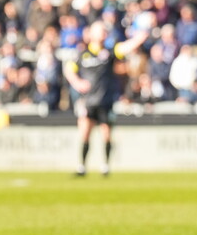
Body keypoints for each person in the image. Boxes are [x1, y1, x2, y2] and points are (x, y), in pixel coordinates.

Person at [63, 18, 150, 176]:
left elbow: (125, 48)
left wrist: (140, 37)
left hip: (105, 100)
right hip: (88, 100)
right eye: (100, 30)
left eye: (104, 30)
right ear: (92, 34)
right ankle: (81, 166)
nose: (104, 33)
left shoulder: (109, 52)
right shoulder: (83, 54)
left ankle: (105, 166)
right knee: (85, 133)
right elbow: (69, 69)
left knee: (107, 134)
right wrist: (77, 82)